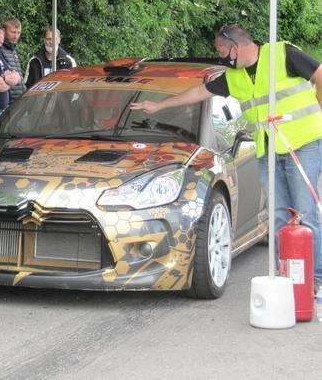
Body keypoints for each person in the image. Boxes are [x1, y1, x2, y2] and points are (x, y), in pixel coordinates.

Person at [130, 24, 322, 289]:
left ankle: (315, 279)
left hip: (302, 144)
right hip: (268, 149)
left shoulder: (283, 54)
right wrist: (159, 105)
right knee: (278, 215)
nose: (221, 57)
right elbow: (200, 92)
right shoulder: (234, 76)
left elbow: (320, 74)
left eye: (222, 51)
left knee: (306, 213)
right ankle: (286, 277)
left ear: (236, 46)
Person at [0, 18, 26, 103]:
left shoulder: (13, 50)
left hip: (19, 99)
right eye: (13, 32)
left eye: (18, 33)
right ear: (3, 31)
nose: (16, 36)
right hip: (7, 101)